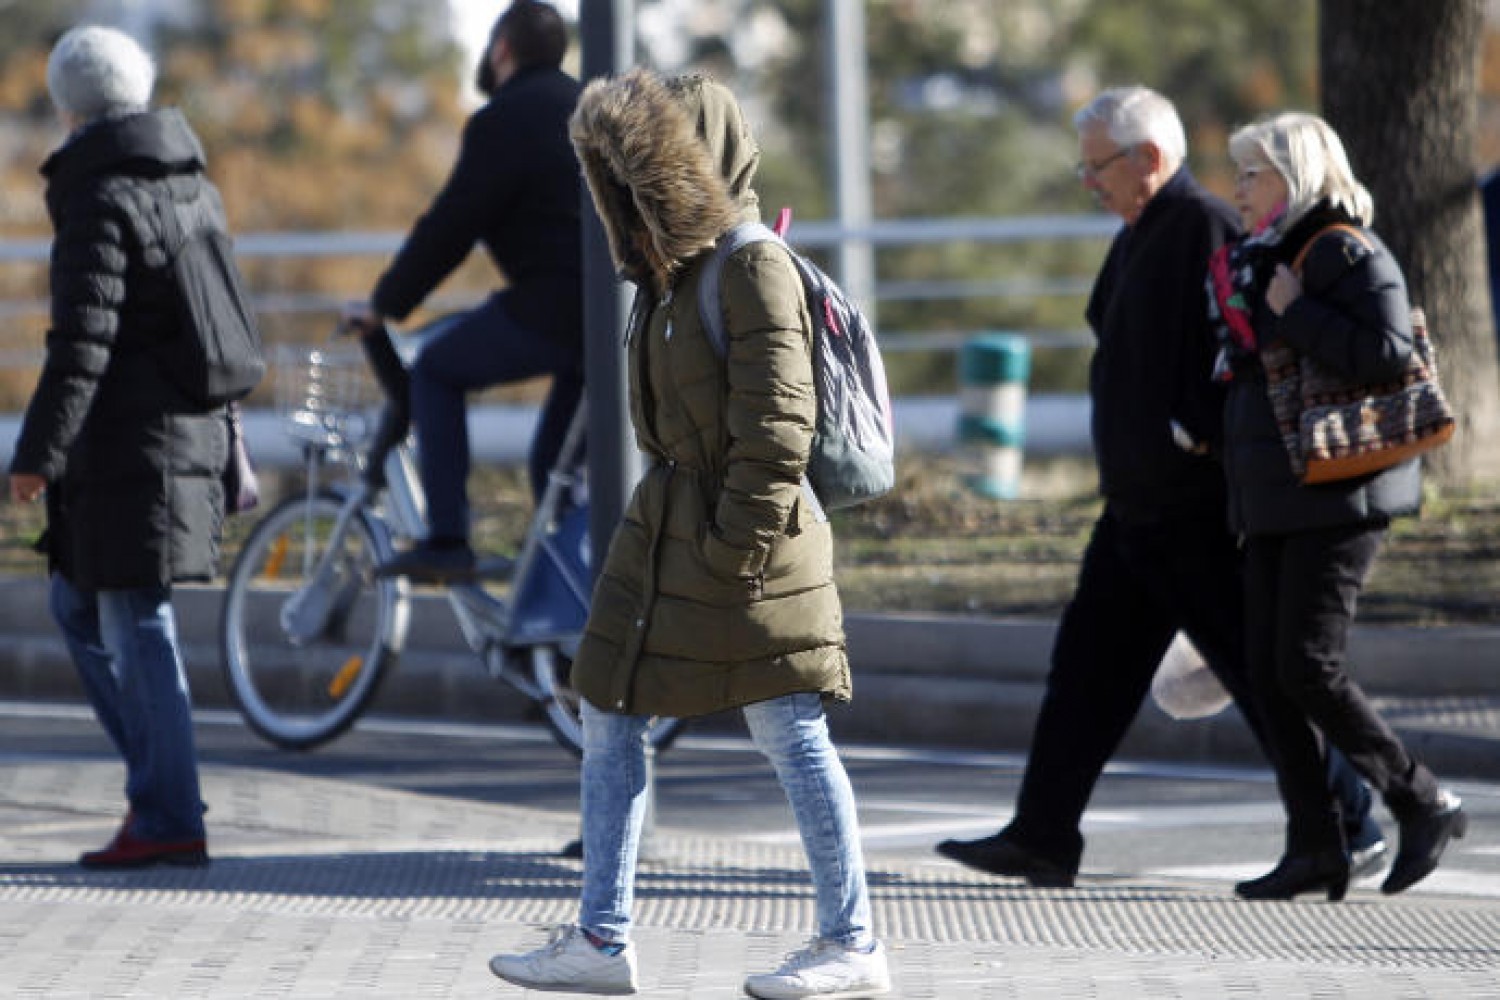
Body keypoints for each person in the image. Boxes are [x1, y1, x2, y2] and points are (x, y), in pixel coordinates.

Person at [487, 69, 892, 999]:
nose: (626, 192)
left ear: (691, 163)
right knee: (607, 710)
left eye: (644, 169)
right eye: (614, 174)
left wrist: (734, 552)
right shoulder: (666, 277)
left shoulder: (750, 265)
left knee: (789, 729)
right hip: (664, 525)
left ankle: (854, 944)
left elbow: (778, 427)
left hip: (747, 540)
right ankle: (601, 939)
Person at [934, 86, 1384, 889]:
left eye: (1097, 165)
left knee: (1255, 673)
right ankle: (1042, 834)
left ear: (1147, 157)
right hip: (1137, 509)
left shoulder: (1202, 224)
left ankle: (1352, 820)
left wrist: (1194, 432)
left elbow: (1239, 351)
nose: (1087, 182)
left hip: (1192, 506)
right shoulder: (1143, 230)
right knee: (1086, 670)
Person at [1210, 112, 1467, 900]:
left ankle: (1422, 799)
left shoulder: (1344, 248)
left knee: (1307, 667)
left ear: (1296, 174)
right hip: (1279, 495)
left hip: (1341, 494)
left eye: (1253, 174)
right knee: (1266, 671)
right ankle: (1316, 844)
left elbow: (1391, 352)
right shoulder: (1266, 258)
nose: (1241, 190)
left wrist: (1295, 309)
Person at [8, 24, 225, 869]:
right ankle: (163, 788)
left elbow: (82, 343)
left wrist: (35, 454)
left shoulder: (101, 194)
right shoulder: (187, 178)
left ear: (68, 105)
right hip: (163, 440)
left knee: (138, 621)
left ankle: (169, 812)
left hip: (138, 449)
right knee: (78, 606)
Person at [344, 0, 583, 583]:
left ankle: (447, 539)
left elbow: (451, 226)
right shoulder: (591, 104)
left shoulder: (504, 119)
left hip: (556, 307)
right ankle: (568, 622)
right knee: (555, 471)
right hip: (618, 316)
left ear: (501, 49)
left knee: (436, 368)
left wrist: (385, 305)